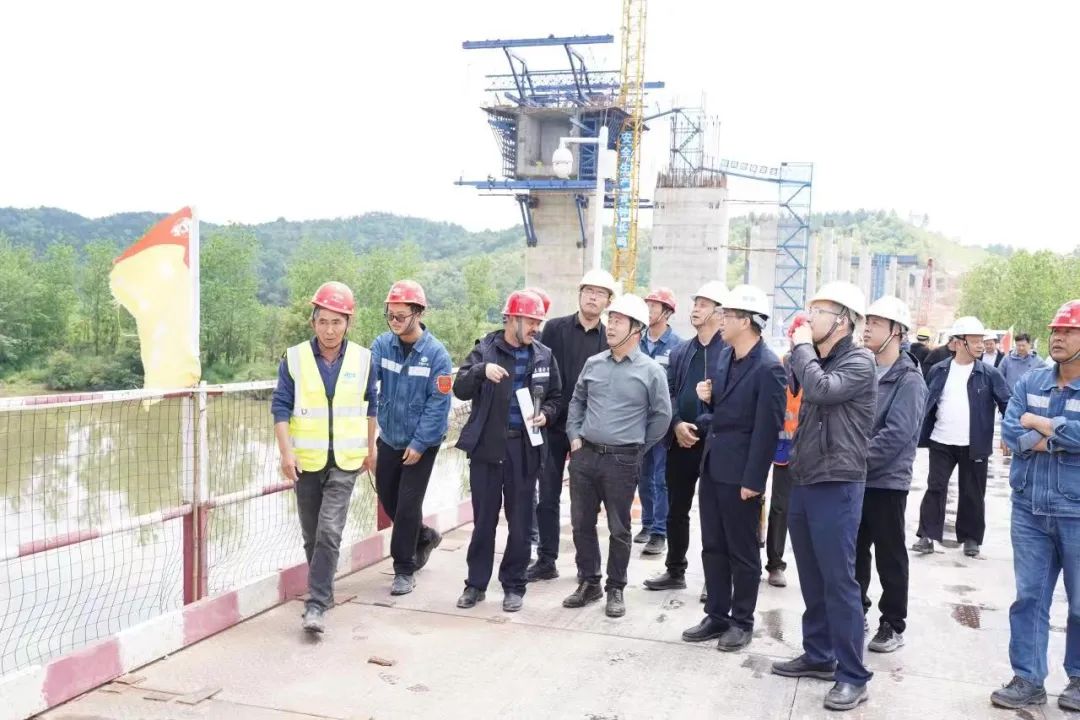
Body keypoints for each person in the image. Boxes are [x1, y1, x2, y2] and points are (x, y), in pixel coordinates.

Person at [770, 281, 876, 712]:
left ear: (843, 321)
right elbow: (800, 387)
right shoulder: (819, 357)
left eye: (819, 312)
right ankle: (818, 654)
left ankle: (852, 675)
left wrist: (801, 349)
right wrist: (798, 353)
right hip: (806, 476)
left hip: (838, 480)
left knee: (839, 580)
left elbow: (821, 390)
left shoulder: (860, 360)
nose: (809, 318)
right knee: (812, 575)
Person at [680, 285, 785, 652]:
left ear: (747, 321)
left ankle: (742, 621)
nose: (720, 321)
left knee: (743, 551)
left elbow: (767, 430)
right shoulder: (725, 356)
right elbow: (722, 413)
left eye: (727, 316)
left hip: (741, 475)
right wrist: (708, 403)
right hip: (713, 466)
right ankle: (716, 614)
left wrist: (754, 480)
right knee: (713, 546)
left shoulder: (770, 368)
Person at [270, 281, 377, 634]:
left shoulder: (364, 359)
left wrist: (371, 448)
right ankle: (324, 591)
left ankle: (315, 604)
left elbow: (371, 406)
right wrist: (286, 453)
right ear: (313, 322)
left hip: (346, 460)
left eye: (337, 322)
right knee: (312, 534)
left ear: (348, 323)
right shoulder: (294, 358)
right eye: (323, 322)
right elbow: (281, 407)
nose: (330, 330)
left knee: (329, 531)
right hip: (306, 460)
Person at [991, 300, 1080, 712]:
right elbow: (1011, 432)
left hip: (1076, 512)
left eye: (1068, 331)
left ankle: (1078, 679)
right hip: (1029, 510)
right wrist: (1058, 437)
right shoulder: (1031, 382)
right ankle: (1028, 678)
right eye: (1055, 330)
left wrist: (1040, 424)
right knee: (1029, 597)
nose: (1058, 337)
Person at [563, 293, 672, 618]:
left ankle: (615, 588)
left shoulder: (651, 371)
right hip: (585, 457)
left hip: (623, 461)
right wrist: (574, 436)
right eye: (610, 320)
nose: (610, 326)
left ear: (636, 329)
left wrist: (638, 447)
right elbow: (577, 402)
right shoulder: (594, 364)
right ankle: (589, 582)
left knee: (619, 528)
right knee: (581, 524)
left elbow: (662, 416)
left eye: (618, 321)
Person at [453, 291, 561, 613]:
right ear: (512, 319)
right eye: (531, 321)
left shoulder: (543, 356)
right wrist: (480, 371)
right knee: (484, 521)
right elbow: (459, 388)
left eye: (539, 322)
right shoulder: (485, 350)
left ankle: (514, 585)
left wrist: (547, 415)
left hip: (524, 449)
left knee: (521, 523)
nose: (536, 328)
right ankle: (475, 584)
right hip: (488, 447)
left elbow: (557, 397)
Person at [528, 269, 616, 582]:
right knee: (547, 496)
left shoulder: (610, 338)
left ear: (608, 301)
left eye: (600, 293)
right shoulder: (554, 329)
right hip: (553, 425)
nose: (593, 297)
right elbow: (537, 368)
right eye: (588, 291)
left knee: (585, 504)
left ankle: (586, 568)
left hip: (589, 432)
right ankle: (546, 559)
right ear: (579, 294)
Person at [643, 281, 728, 596]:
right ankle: (674, 569)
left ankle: (714, 579)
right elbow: (669, 393)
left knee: (713, 514)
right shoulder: (681, 351)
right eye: (696, 303)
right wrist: (677, 423)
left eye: (704, 305)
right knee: (676, 509)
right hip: (681, 442)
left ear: (720, 314)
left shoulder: (728, 353)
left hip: (715, 445)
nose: (696, 309)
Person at [370, 280, 454, 596]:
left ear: (417, 313)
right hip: (390, 438)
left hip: (422, 443)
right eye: (390, 315)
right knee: (388, 497)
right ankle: (424, 535)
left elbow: (438, 404)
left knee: (407, 504)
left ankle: (404, 569)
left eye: (400, 316)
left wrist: (419, 444)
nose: (394, 321)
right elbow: (367, 383)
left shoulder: (436, 355)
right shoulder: (382, 346)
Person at [857, 296, 928, 653]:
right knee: (854, 551)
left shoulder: (909, 380)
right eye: (867, 321)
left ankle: (892, 623)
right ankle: (855, 610)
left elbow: (897, 434)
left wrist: (855, 459)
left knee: (890, 554)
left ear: (897, 331)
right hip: (856, 478)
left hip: (886, 481)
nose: (867, 328)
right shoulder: (864, 369)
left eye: (876, 323)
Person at [911, 316, 1010, 558]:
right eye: (974, 341)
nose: (980, 345)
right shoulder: (939, 370)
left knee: (972, 492)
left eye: (981, 340)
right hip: (941, 440)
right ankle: (927, 536)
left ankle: (971, 538)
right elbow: (926, 402)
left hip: (974, 443)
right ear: (957, 343)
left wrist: (1010, 433)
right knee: (935, 487)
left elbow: (1007, 404)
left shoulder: (990, 374)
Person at [636, 286, 682, 557]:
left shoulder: (677, 346)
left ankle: (659, 532)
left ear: (666, 313)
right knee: (643, 475)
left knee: (660, 477)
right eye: (647, 305)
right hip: (637, 419)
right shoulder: (637, 341)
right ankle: (647, 523)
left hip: (662, 421)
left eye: (654, 306)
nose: (649, 310)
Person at [764, 312, 809, 589]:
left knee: (799, 508)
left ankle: (786, 563)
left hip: (808, 450)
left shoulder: (819, 368)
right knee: (775, 505)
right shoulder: (780, 366)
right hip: (778, 445)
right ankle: (772, 562)